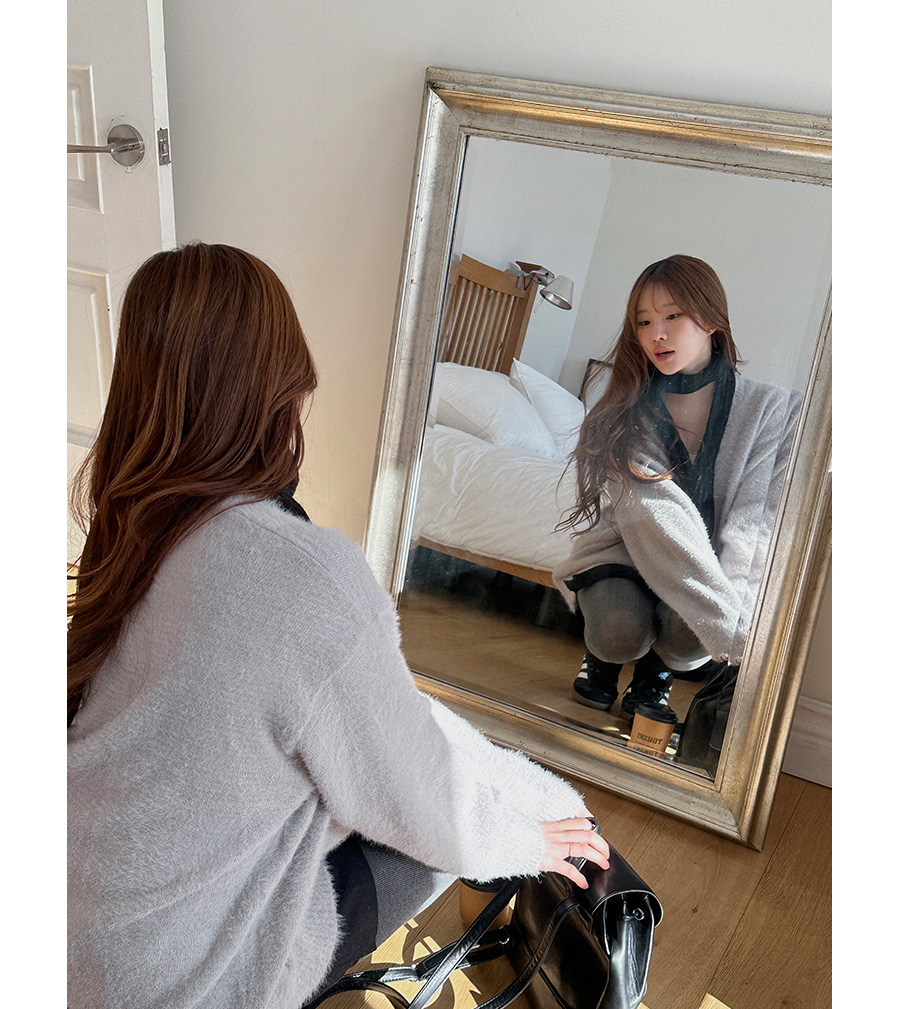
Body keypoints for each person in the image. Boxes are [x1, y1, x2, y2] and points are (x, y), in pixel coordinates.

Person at [67, 243, 609, 1009]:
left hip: (65, 930)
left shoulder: (124, 525)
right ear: (280, 387)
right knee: (432, 821)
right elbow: (424, 800)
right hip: (175, 983)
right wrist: (527, 838)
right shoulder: (306, 576)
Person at [554, 255, 800, 720]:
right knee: (618, 633)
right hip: (626, 549)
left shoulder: (772, 410)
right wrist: (730, 633)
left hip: (707, 560)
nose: (656, 335)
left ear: (711, 319)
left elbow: (754, 521)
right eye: (644, 322)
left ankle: (657, 674)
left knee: (690, 637)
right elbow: (654, 515)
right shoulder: (624, 405)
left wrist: (737, 616)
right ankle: (602, 660)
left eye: (672, 316)